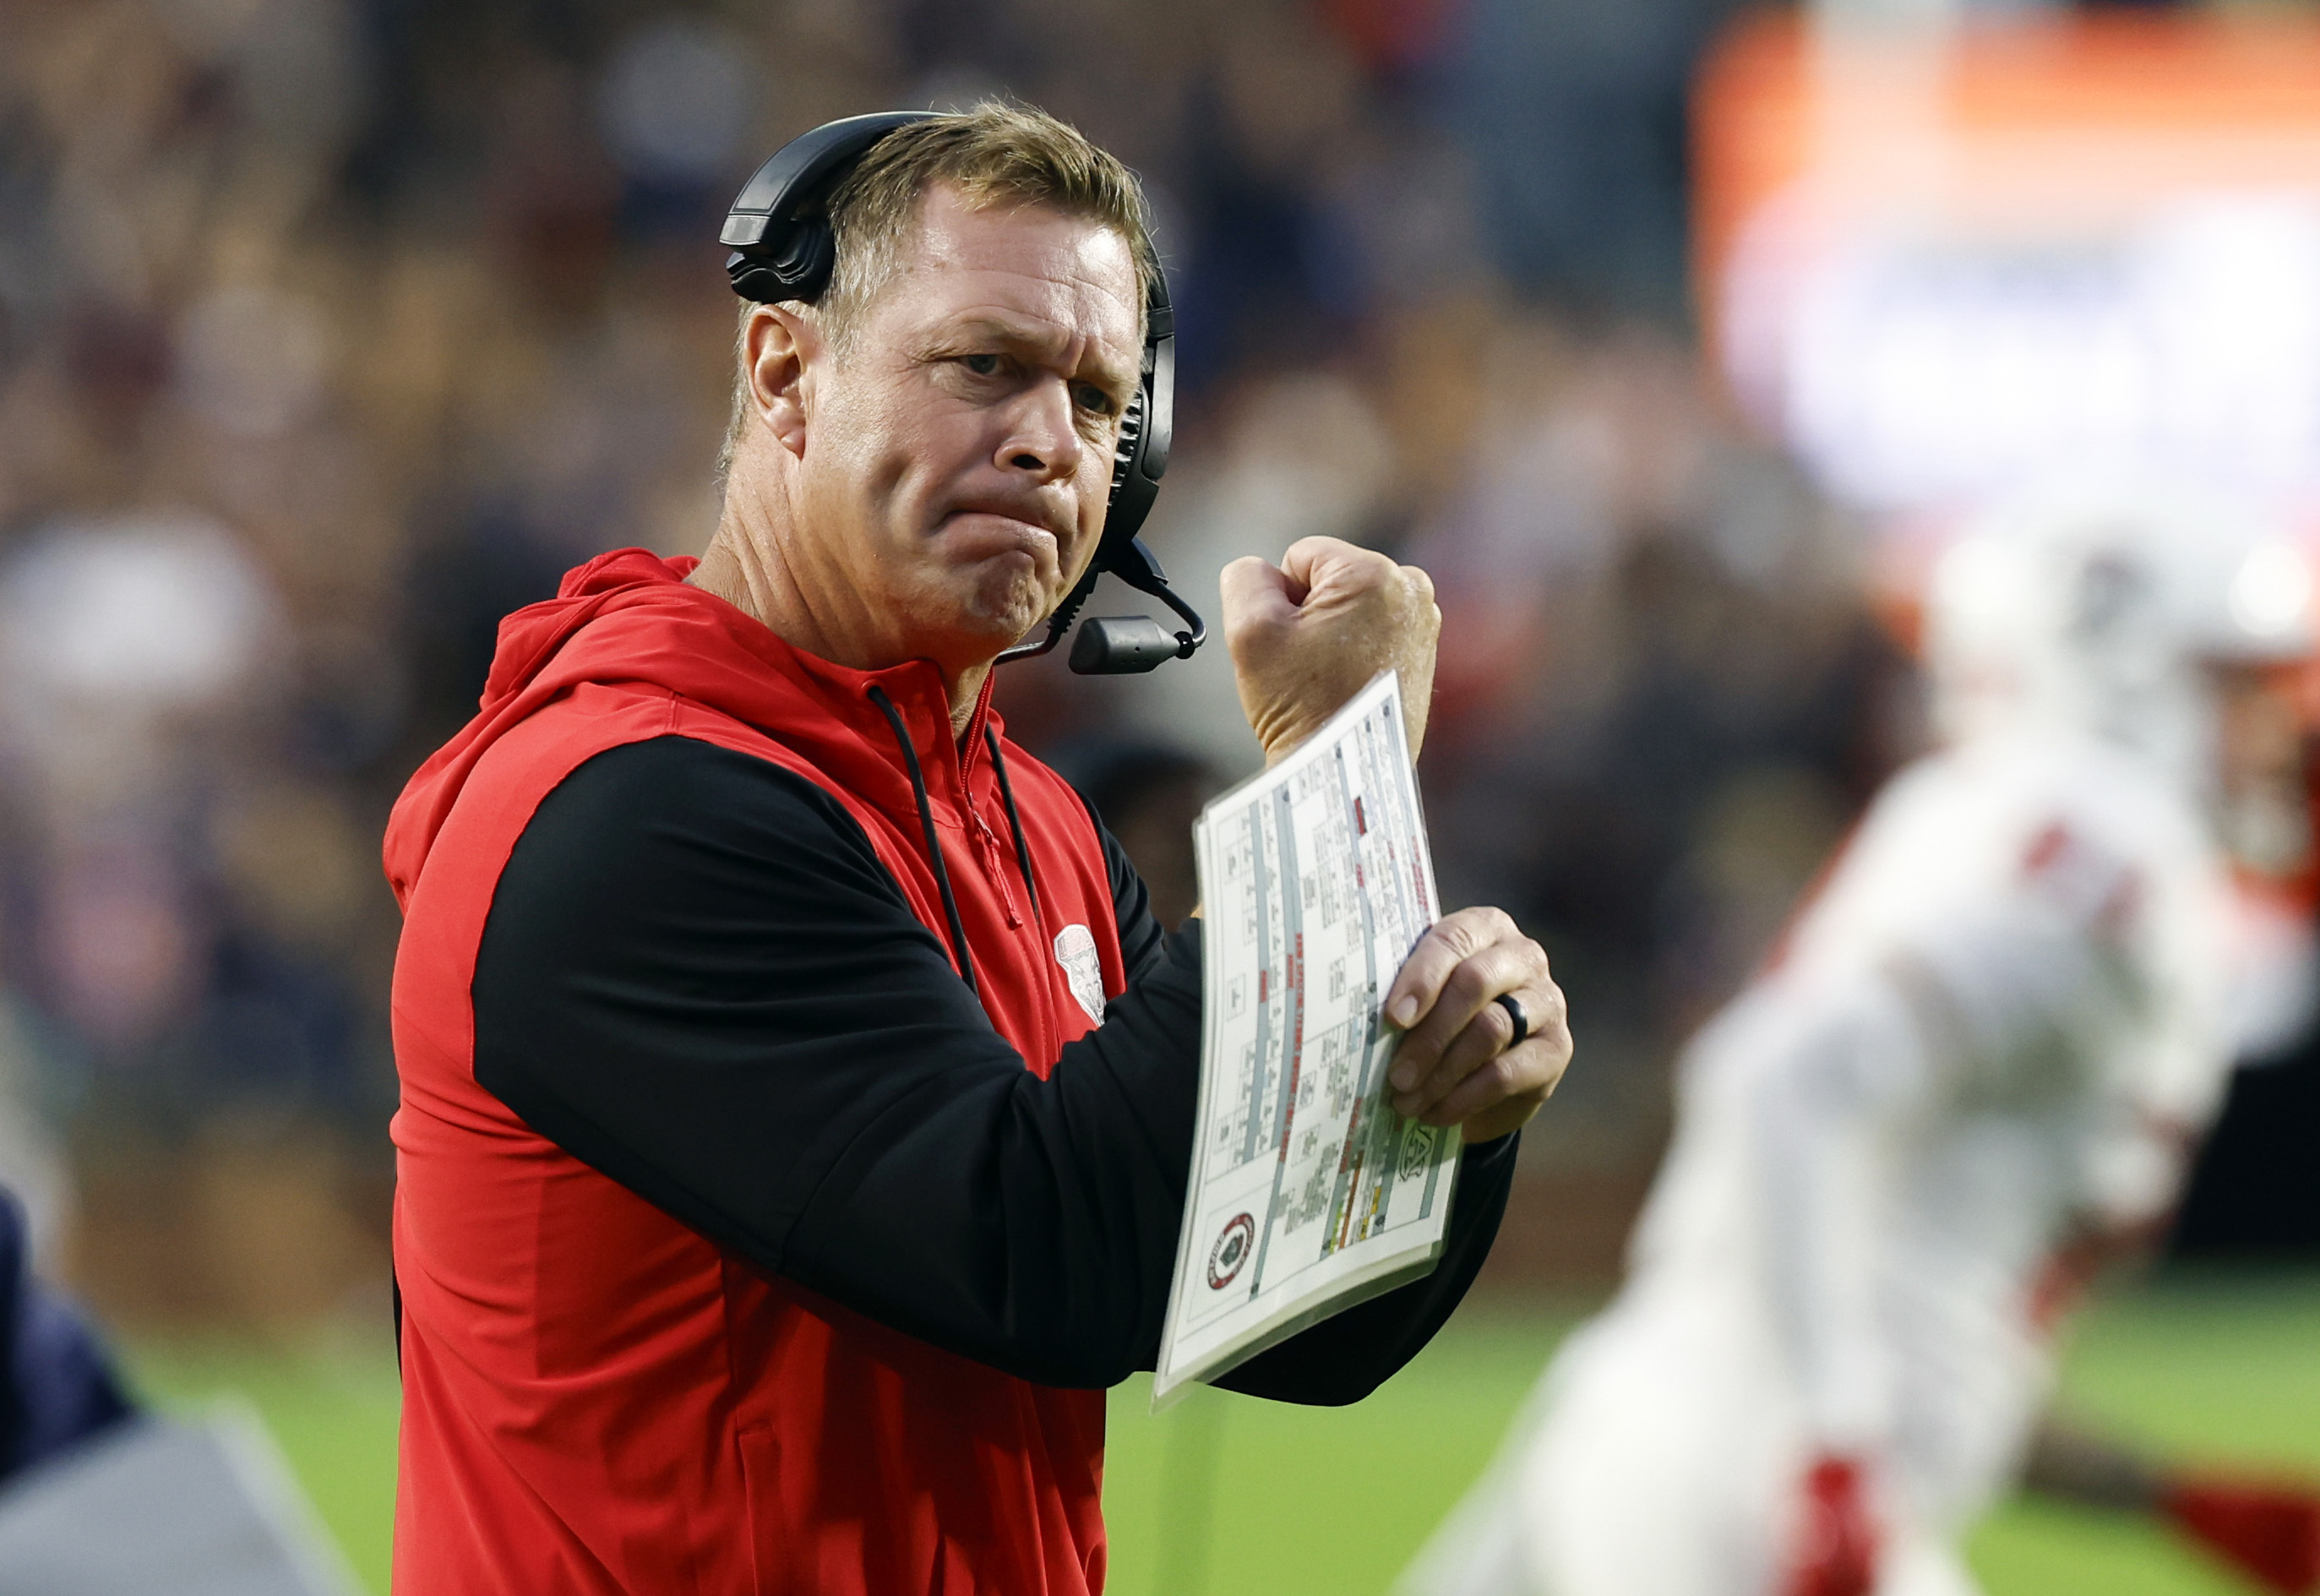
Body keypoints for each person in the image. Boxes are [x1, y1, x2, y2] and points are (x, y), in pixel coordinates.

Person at [382, 104, 1572, 1595]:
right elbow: (1038, 1251)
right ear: (785, 373)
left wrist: (1449, 1097)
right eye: (982, 365)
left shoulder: (1038, 821)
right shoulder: (623, 804)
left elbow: (1287, 1315)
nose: (1046, 439)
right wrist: (1339, 777)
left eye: (1096, 398)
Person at [1396, 484, 2320, 1596]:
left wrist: (2159, 1494)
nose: (2284, 728)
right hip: (1743, 1490)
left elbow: (1919, 1315)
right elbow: (1777, 1078)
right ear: (2137, 677)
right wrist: (1829, 1452)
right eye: (2244, 689)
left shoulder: (1980, 810)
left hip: (1655, 1430)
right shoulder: (2105, 848)